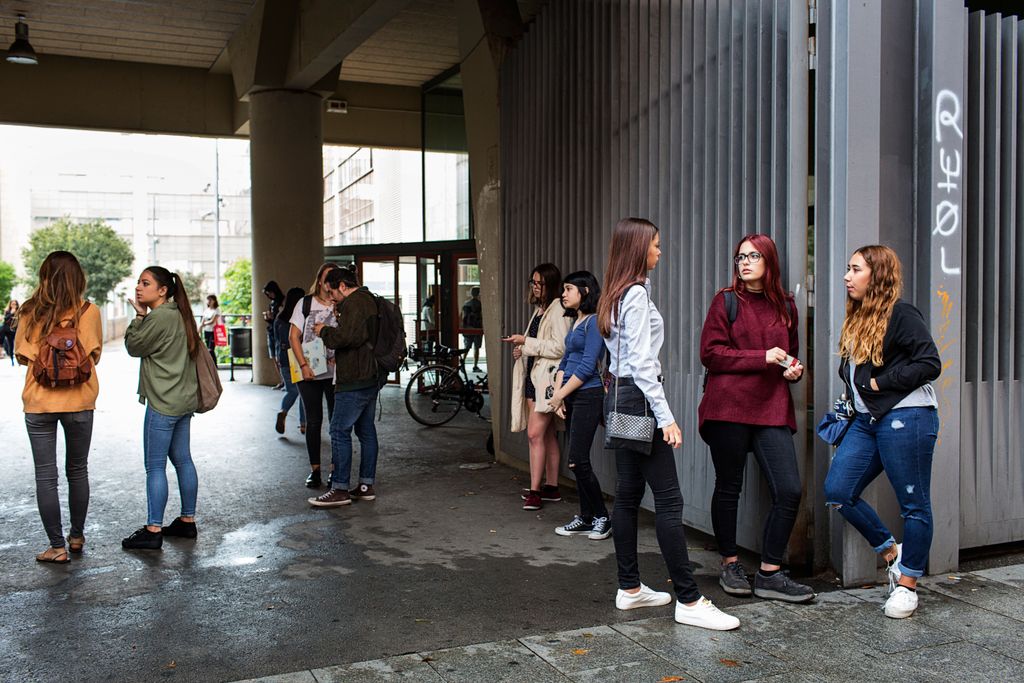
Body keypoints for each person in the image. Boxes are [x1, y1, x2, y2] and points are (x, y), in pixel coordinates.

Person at [598, 217, 739, 631]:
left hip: (619, 398)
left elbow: (621, 361)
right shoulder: (636, 294)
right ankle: (690, 599)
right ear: (640, 249)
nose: (661, 251)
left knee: (627, 495)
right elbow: (643, 366)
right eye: (656, 245)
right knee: (670, 501)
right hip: (641, 400)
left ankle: (630, 588)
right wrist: (668, 418)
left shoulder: (615, 293)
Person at [823, 245, 941, 619]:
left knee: (914, 504)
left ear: (877, 276)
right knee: (839, 490)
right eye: (847, 268)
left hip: (907, 416)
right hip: (867, 421)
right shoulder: (858, 318)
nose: (847, 276)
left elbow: (930, 362)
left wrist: (879, 384)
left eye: (855, 269)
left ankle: (908, 585)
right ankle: (893, 552)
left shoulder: (902, 315)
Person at [698, 234, 814, 603]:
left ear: (769, 261)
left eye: (753, 256)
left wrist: (792, 370)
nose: (745, 262)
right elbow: (711, 354)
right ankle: (730, 563)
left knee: (789, 489)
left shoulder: (787, 306)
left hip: (770, 408)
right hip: (728, 406)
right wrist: (760, 357)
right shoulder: (726, 301)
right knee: (729, 486)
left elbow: (789, 355)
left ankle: (769, 572)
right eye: (740, 257)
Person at [15, 253, 102, 563]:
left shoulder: (29, 311)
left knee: (45, 476)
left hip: (38, 403)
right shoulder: (89, 312)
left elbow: (23, 356)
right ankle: (76, 536)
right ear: (78, 278)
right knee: (78, 470)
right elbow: (94, 354)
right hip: (80, 401)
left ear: (44, 277)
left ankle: (57, 547)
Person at [122, 266, 204, 550]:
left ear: (163, 290)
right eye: (138, 283)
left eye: (145, 283)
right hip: (183, 401)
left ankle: (153, 528)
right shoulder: (181, 314)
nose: (138, 288)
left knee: (155, 466)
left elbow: (134, 345)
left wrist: (139, 317)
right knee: (183, 459)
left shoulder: (159, 318)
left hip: (163, 402)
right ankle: (187, 521)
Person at [308, 267, 381, 507]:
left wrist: (324, 330)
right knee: (366, 431)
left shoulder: (354, 303)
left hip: (354, 379)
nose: (331, 298)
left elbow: (346, 338)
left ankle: (339, 488)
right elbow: (359, 337)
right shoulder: (369, 299)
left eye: (332, 292)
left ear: (342, 286)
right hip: (370, 375)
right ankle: (365, 485)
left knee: (339, 430)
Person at [547, 271, 610, 540]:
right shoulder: (577, 322)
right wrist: (559, 394)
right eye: (563, 289)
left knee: (578, 460)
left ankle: (602, 518)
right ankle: (586, 517)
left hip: (589, 395)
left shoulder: (594, 321)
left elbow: (586, 367)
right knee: (576, 462)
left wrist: (560, 395)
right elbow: (565, 362)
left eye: (569, 289)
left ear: (585, 291)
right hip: (572, 395)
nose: (563, 294)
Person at [504, 263, 571, 511]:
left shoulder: (558, 309)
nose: (534, 286)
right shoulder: (540, 309)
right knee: (548, 435)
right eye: (532, 281)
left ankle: (535, 491)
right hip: (535, 378)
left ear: (550, 285)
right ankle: (551, 487)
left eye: (539, 283)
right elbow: (538, 344)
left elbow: (560, 348)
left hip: (546, 383)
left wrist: (527, 343)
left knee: (534, 434)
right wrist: (522, 349)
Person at [290, 263, 340, 488]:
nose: (330, 283)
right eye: (327, 278)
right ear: (319, 279)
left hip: (334, 372)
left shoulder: (341, 303)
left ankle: (334, 469)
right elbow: (294, 336)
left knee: (337, 422)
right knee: (313, 420)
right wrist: (303, 365)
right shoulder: (305, 303)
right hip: (307, 370)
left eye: (335, 278)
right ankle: (315, 470)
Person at [274, 287, 306, 435]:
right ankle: (304, 423)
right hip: (299, 357)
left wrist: (277, 356)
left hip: (284, 357)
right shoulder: (301, 317)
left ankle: (283, 411)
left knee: (292, 390)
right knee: (305, 392)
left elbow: (275, 339)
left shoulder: (279, 318)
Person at [263, 281, 285, 389]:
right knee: (274, 357)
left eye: (269, 293)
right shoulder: (271, 303)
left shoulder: (282, 301)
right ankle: (281, 380)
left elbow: (282, 317)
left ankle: (285, 380)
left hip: (279, 332)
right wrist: (268, 318)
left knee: (280, 356)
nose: (269, 295)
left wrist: (273, 317)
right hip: (271, 330)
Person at [462, 287, 484, 373]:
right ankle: (475, 366)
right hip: (477, 328)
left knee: (466, 347)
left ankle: (462, 363)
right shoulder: (480, 304)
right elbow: (482, 317)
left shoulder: (466, 304)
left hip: (467, 329)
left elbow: (463, 317)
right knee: (476, 348)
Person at [199, 294, 220, 362]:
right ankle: (210, 365)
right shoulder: (206, 310)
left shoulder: (217, 310)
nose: (209, 301)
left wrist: (203, 324)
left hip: (213, 331)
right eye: (208, 300)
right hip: (206, 331)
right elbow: (202, 321)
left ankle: (214, 365)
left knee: (211, 349)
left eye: (211, 300)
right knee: (207, 348)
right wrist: (200, 328)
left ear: (214, 301)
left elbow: (212, 321)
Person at [2, 299, 19, 365]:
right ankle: (12, 360)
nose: (14, 305)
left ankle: (19, 359)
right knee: (11, 345)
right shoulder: (7, 311)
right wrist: (11, 313)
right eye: (12, 304)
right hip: (9, 331)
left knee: (17, 344)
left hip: (17, 330)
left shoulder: (19, 311)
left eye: (15, 304)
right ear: (10, 304)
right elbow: (5, 319)